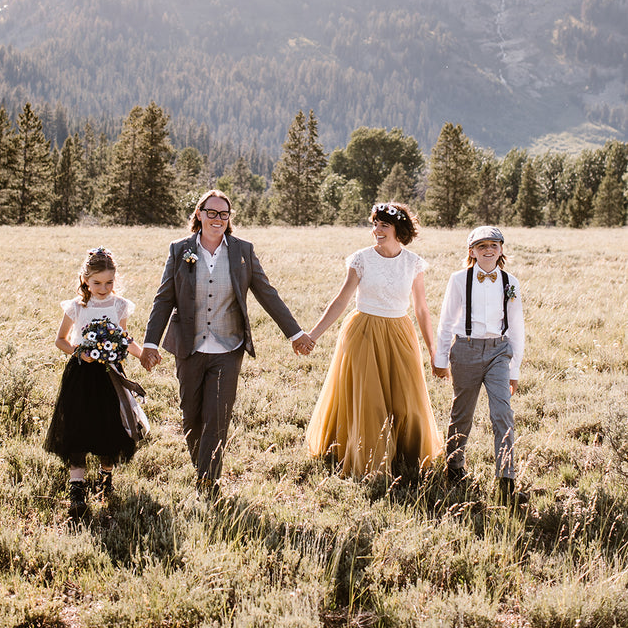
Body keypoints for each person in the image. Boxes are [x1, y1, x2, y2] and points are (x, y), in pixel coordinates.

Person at [140, 190, 314, 495]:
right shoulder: (180, 250)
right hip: (189, 348)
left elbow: (266, 293)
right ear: (199, 214)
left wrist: (295, 333)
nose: (218, 219)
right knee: (191, 417)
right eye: (211, 212)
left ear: (229, 218)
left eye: (224, 214)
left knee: (217, 416)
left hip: (228, 348)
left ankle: (208, 482)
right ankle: (203, 469)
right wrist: (150, 343)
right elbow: (164, 298)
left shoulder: (242, 251)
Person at [305, 202, 442, 479]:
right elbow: (342, 299)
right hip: (364, 331)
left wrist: (433, 350)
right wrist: (313, 335)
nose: (376, 231)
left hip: (400, 332)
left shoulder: (413, 262)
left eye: (383, 225)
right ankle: (369, 463)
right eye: (374, 225)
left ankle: (408, 454)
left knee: (407, 400)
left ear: (398, 229)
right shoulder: (362, 259)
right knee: (368, 400)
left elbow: (422, 309)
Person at [44, 247, 144, 514]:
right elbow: (60, 340)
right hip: (81, 374)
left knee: (109, 426)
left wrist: (143, 353)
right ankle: (76, 487)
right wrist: (80, 351)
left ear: (115, 280)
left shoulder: (119, 304)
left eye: (109, 282)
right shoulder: (77, 307)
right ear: (85, 279)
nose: (103, 288)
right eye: (97, 282)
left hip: (110, 375)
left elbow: (124, 337)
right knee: (77, 426)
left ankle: (105, 477)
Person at [433, 225, 525, 504]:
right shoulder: (460, 279)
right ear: (471, 251)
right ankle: (454, 467)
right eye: (482, 246)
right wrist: (440, 359)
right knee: (462, 412)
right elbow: (446, 320)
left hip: (499, 351)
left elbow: (517, 326)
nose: (488, 251)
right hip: (466, 350)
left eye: (494, 245)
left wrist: (515, 368)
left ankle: (506, 481)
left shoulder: (510, 281)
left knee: (502, 414)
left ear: (501, 250)